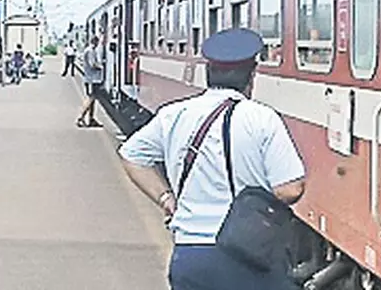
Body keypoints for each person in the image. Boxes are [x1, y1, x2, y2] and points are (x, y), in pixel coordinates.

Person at [118, 28, 306, 290]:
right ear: (252, 75)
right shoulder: (262, 118)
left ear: (207, 72)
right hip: (248, 254)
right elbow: (290, 188)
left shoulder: (174, 115)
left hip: (190, 256)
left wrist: (166, 198)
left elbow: (131, 155)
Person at [75, 36, 105, 128]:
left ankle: (91, 119)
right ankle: (80, 117)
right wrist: (101, 66)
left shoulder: (89, 50)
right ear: (95, 42)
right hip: (92, 79)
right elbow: (93, 64)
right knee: (90, 98)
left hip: (91, 78)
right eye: (97, 42)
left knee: (93, 99)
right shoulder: (90, 51)